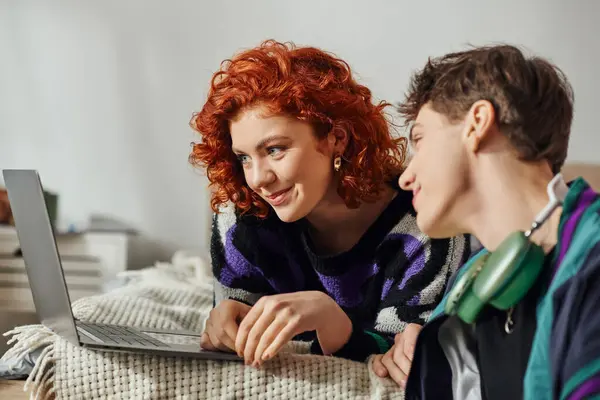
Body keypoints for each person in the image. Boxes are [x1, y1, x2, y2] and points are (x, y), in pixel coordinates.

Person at [188, 40, 470, 367]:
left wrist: (334, 324)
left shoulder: (423, 226)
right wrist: (225, 321)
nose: (258, 179)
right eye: (244, 158)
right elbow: (235, 314)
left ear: (337, 138)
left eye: (275, 149)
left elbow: (402, 354)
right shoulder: (241, 218)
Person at [375, 44, 600, 399]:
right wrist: (429, 363)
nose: (406, 176)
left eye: (419, 139)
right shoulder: (465, 299)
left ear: (477, 123)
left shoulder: (592, 259)